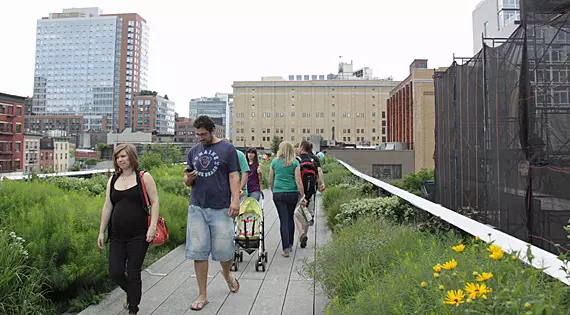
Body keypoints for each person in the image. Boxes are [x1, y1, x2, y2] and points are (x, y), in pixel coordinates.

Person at [183, 116, 241, 311]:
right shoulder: (193, 151)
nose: (200, 138)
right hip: (197, 206)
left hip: (222, 207)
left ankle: (227, 275)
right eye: (198, 134)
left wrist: (235, 201)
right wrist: (188, 178)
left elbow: (234, 175)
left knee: (225, 250)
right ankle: (202, 294)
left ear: (212, 130)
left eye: (204, 134)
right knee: (199, 251)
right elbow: (187, 180)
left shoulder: (227, 149)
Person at [97, 143, 160, 315]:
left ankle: (133, 309)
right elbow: (107, 206)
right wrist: (101, 231)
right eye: (117, 157)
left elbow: (155, 202)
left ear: (131, 156)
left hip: (139, 234)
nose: (120, 160)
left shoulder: (143, 177)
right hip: (117, 235)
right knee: (115, 272)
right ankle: (130, 292)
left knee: (133, 273)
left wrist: (152, 227)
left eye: (123, 156)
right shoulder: (113, 180)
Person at [269, 141, 304, 258]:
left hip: (278, 193)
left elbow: (271, 179)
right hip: (292, 194)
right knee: (290, 218)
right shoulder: (295, 163)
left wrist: (272, 189)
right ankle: (290, 243)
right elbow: (298, 181)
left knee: (283, 219)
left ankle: (286, 249)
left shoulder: (274, 162)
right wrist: (303, 195)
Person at [295, 141, 326, 248]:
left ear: (302, 147)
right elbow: (320, 171)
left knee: (297, 213)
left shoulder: (297, 159)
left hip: (299, 190)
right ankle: (305, 233)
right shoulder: (314, 159)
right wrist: (322, 183)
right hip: (311, 190)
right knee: (308, 213)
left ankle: (301, 234)